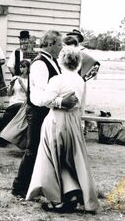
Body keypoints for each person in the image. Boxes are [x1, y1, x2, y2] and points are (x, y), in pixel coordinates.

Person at [26, 46, 100, 213]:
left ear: (60, 61)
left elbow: (43, 101)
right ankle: (72, 193)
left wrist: (56, 101)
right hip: (74, 121)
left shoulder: (57, 80)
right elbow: (80, 105)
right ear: (78, 63)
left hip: (57, 120)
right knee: (70, 159)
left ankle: (57, 199)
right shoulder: (80, 80)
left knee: (51, 159)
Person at [12, 30, 78, 197]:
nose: (61, 48)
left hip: (46, 111)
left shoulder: (52, 61)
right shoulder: (40, 64)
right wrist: (60, 102)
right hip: (37, 111)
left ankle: (36, 185)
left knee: (43, 150)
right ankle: (19, 187)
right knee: (33, 149)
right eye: (58, 44)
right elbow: (39, 96)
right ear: (49, 44)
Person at [0, 59, 30, 129]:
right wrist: (12, 85)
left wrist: (22, 84)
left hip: (23, 105)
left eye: (24, 67)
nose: (22, 69)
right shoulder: (15, 78)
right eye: (20, 67)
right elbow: (9, 94)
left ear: (28, 68)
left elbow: (29, 95)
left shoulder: (30, 80)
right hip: (13, 104)